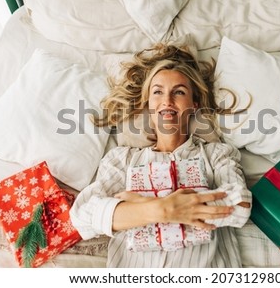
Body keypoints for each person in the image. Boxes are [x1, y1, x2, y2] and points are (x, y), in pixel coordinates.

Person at [70, 43, 252, 267]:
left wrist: (137, 207)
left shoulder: (216, 155)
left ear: (194, 104)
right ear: (148, 104)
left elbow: (240, 206)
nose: (167, 100)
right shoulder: (122, 161)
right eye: (158, 92)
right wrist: (160, 209)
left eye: (179, 92)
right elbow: (83, 215)